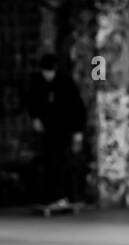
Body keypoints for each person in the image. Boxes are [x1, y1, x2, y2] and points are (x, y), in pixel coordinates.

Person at [26, 52, 87, 206]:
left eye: (50, 72)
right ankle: (49, 196)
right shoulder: (37, 82)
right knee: (47, 162)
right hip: (47, 129)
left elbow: (77, 108)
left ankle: (64, 195)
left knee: (62, 162)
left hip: (64, 128)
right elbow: (31, 101)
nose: (48, 76)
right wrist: (35, 118)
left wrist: (78, 131)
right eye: (45, 72)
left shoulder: (65, 83)